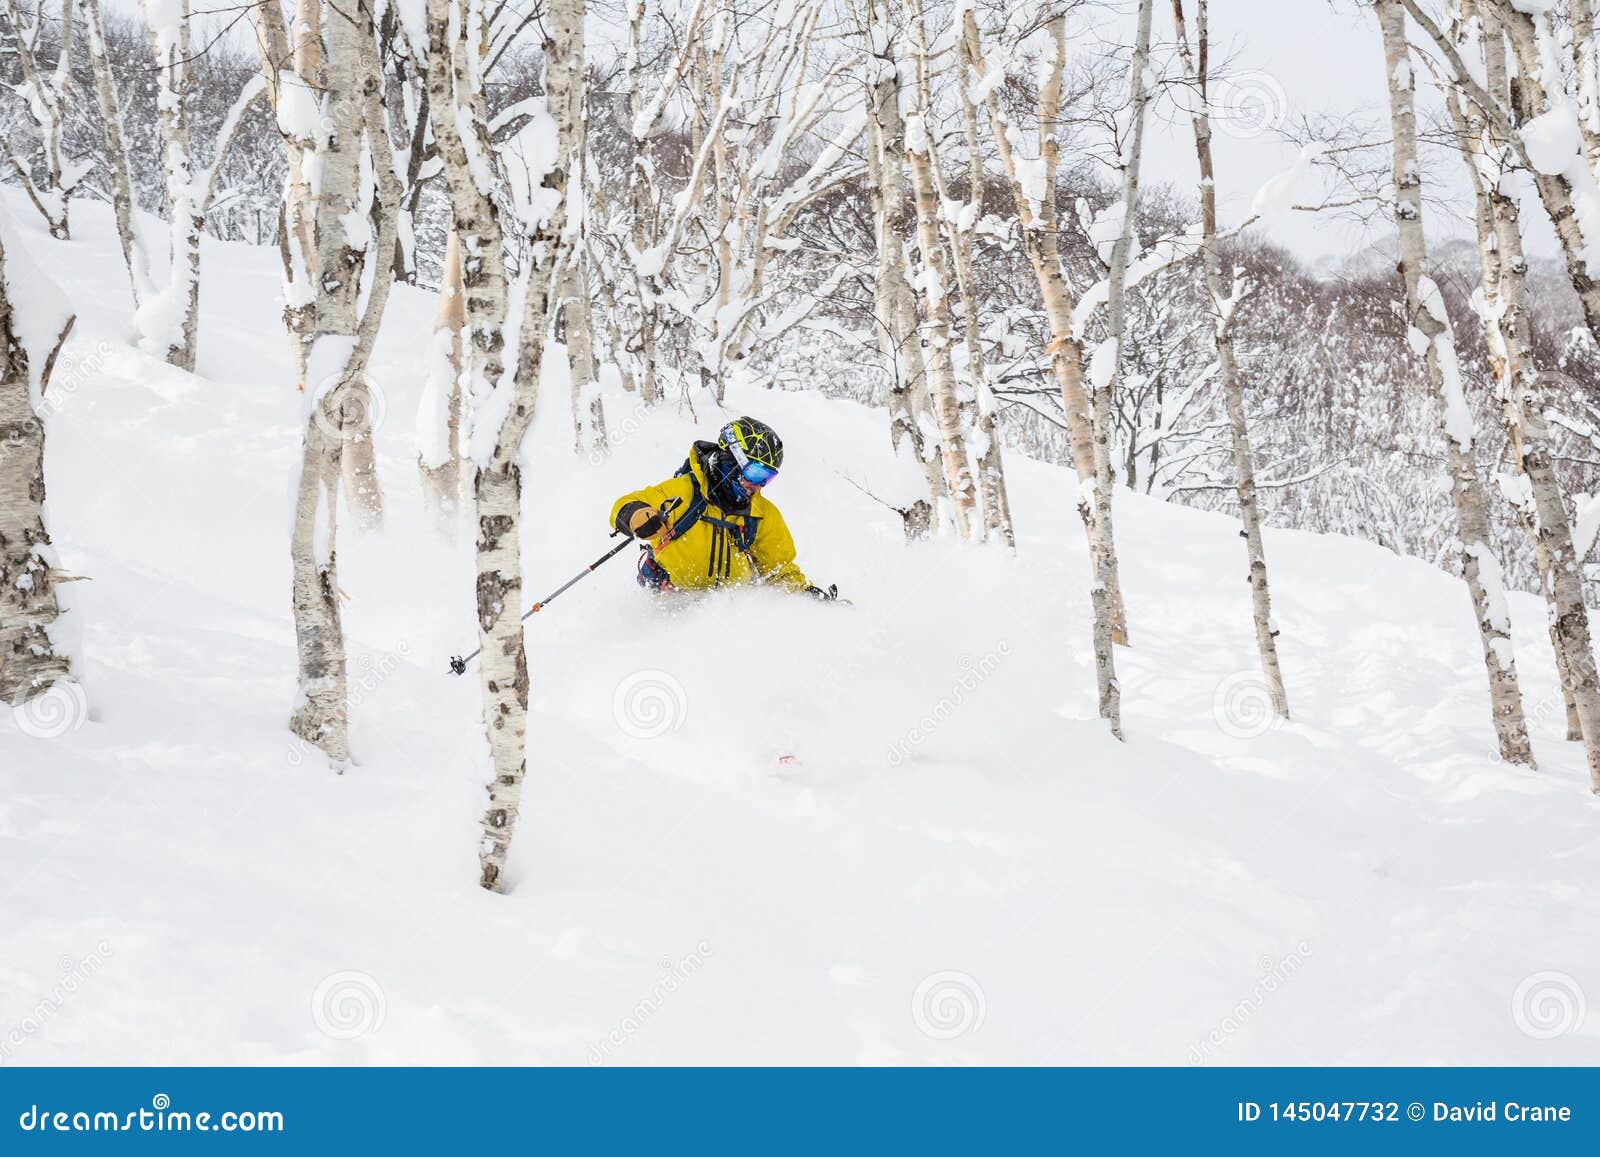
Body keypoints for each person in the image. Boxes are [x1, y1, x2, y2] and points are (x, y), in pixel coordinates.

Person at [609, 416, 840, 600]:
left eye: (767, 478)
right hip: (673, 607)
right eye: (756, 473)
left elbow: (779, 572)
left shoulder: (761, 514)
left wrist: (807, 600)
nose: (758, 485)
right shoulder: (684, 492)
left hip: (729, 618)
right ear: (732, 460)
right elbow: (623, 506)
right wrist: (637, 515)